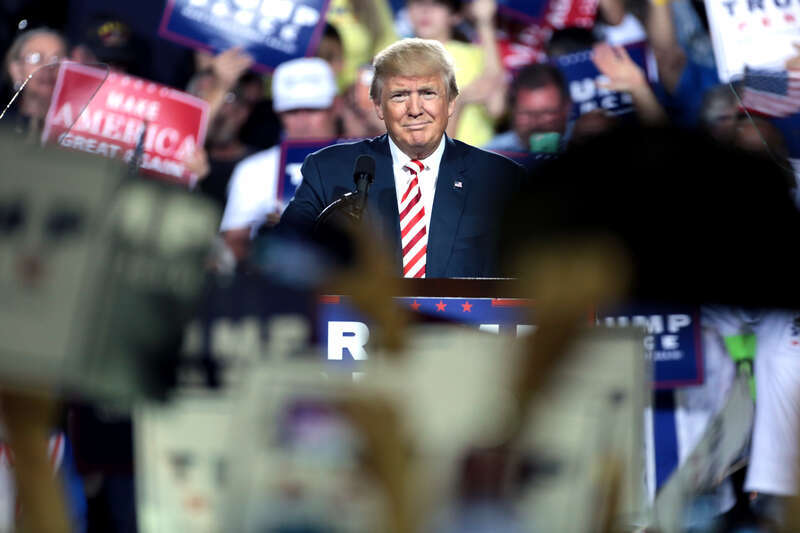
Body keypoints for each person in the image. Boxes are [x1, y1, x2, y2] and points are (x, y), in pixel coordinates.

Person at [278, 38, 525, 278]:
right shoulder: (328, 170)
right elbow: (282, 257)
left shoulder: (499, 178)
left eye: (428, 93)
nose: (415, 109)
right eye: (399, 96)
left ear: (451, 103)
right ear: (378, 106)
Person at [220, 57, 339, 262]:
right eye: (292, 111)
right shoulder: (253, 171)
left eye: (313, 109)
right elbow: (233, 242)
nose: (302, 122)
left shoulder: (368, 159)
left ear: (335, 106)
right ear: (278, 113)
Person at [483, 64, 571, 153]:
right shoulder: (491, 155)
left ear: (567, 107)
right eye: (526, 113)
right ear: (512, 110)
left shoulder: (581, 144)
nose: (537, 122)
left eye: (547, 112)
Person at [3, 27, 67, 140]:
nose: (48, 67)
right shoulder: (4, 128)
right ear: (16, 70)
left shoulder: (78, 134)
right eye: (36, 58)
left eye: (57, 59)